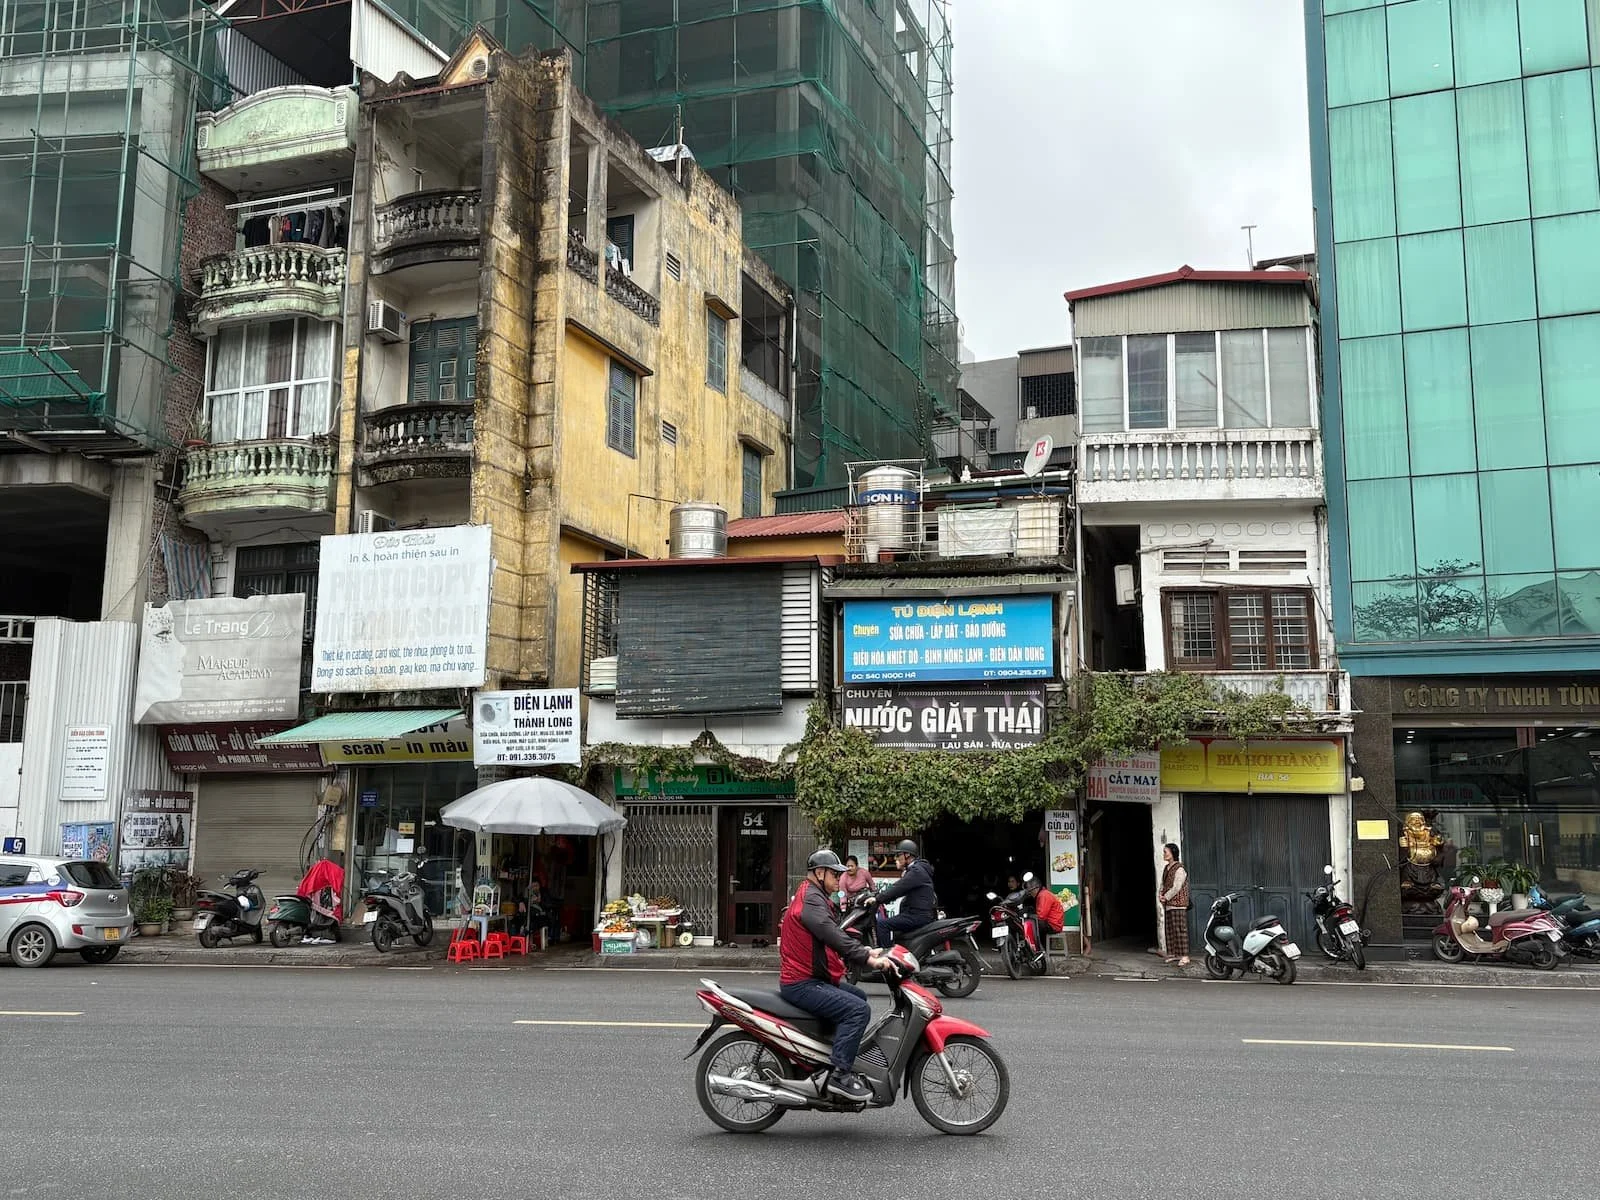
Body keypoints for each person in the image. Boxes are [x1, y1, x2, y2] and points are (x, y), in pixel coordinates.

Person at [779, 849, 892, 1102]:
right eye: (834, 874)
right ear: (820, 873)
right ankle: (839, 1075)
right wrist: (867, 958)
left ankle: (824, 1057)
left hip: (808, 977)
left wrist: (863, 950)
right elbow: (830, 933)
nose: (838, 879)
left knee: (859, 997)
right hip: (802, 982)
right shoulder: (812, 900)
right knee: (857, 1011)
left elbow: (832, 937)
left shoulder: (814, 896)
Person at [870, 839, 937, 947]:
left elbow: (898, 888)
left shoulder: (916, 871)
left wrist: (878, 899)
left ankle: (887, 957)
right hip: (916, 914)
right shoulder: (917, 869)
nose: (896, 858)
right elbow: (899, 889)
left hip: (918, 915)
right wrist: (882, 897)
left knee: (883, 925)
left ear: (907, 855)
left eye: (899, 855)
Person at [1159, 842, 1191, 967]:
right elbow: (1163, 883)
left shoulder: (1179, 869)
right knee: (1170, 930)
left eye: (1165, 852)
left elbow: (1177, 887)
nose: (1164, 854)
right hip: (1168, 904)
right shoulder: (1167, 868)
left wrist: (1165, 897)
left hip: (1178, 904)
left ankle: (1184, 956)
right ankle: (1173, 954)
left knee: (1180, 930)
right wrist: (1160, 894)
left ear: (1172, 853)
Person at [1024, 875, 1064, 958]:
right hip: (1052, 923)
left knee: (1032, 925)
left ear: (1036, 888)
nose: (1030, 894)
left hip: (1053, 925)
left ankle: (1040, 950)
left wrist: (1029, 915)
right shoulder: (1042, 894)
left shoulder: (1043, 895)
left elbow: (1041, 916)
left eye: (1030, 891)